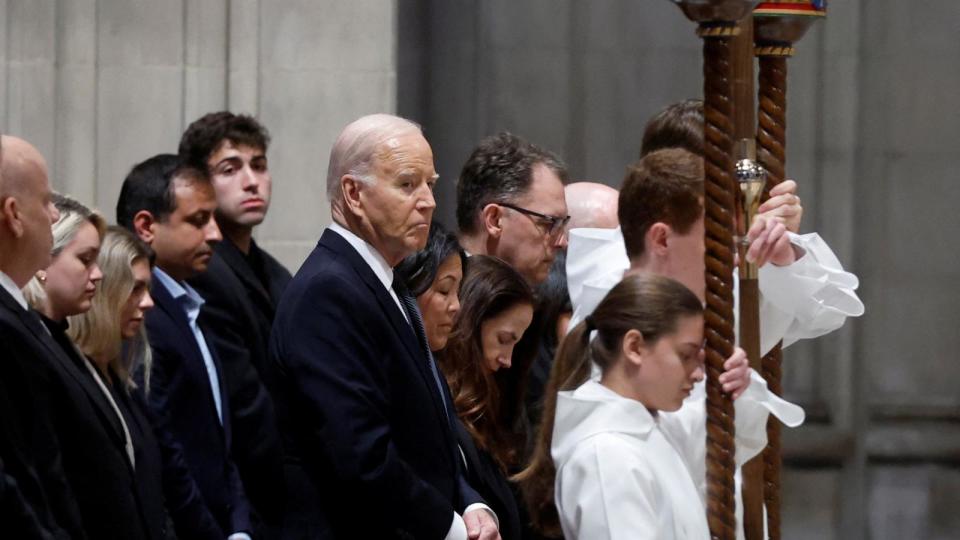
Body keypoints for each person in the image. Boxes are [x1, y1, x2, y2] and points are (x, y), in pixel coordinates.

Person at [270, 114, 499, 539]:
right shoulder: (329, 292)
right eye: (408, 184)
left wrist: (470, 503)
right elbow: (361, 455)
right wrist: (448, 526)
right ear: (353, 193)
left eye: (430, 184)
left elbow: (428, 430)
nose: (429, 201)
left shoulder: (385, 281)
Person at [520, 274, 800, 539]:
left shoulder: (650, 427)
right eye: (686, 355)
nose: (699, 373)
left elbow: (730, 442)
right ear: (635, 347)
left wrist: (739, 386)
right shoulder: (606, 456)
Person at [117, 153, 254, 539]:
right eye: (198, 221)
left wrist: (240, 528)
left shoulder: (190, 304)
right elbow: (167, 451)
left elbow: (221, 440)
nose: (214, 233)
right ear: (146, 226)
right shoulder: (141, 318)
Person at [23, 193, 172, 540]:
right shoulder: (39, 347)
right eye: (85, 260)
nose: (98, 274)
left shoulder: (69, 350)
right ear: (45, 260)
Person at [68, 225, 225, 540]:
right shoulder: (76, 377)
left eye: (148, 289)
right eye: (135, 289)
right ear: (105, 289)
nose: (148, 303)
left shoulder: (125, 378)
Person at [180, 111, 287, 527]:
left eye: (258, 165)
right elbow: (245, 405)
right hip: (247, 492)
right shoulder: (204, 271)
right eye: (231, 168)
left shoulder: (278, 274)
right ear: (198, 184)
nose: (251, 180)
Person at [0, 134, 82, 539]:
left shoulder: (17, 316)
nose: (54, 215)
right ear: (13, 214)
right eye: (46, 201)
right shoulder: (5, 326)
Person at [436, 255, 536, 540]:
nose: (508, 360)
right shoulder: (439, 403)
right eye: (504, 340)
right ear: (470, 323)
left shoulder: (491, 404)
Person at [456, 132, 570, 285]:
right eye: (549, 223)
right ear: (494, 220)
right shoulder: (437, 303)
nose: (562, 242)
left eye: (563, 223)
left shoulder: (530, 298)